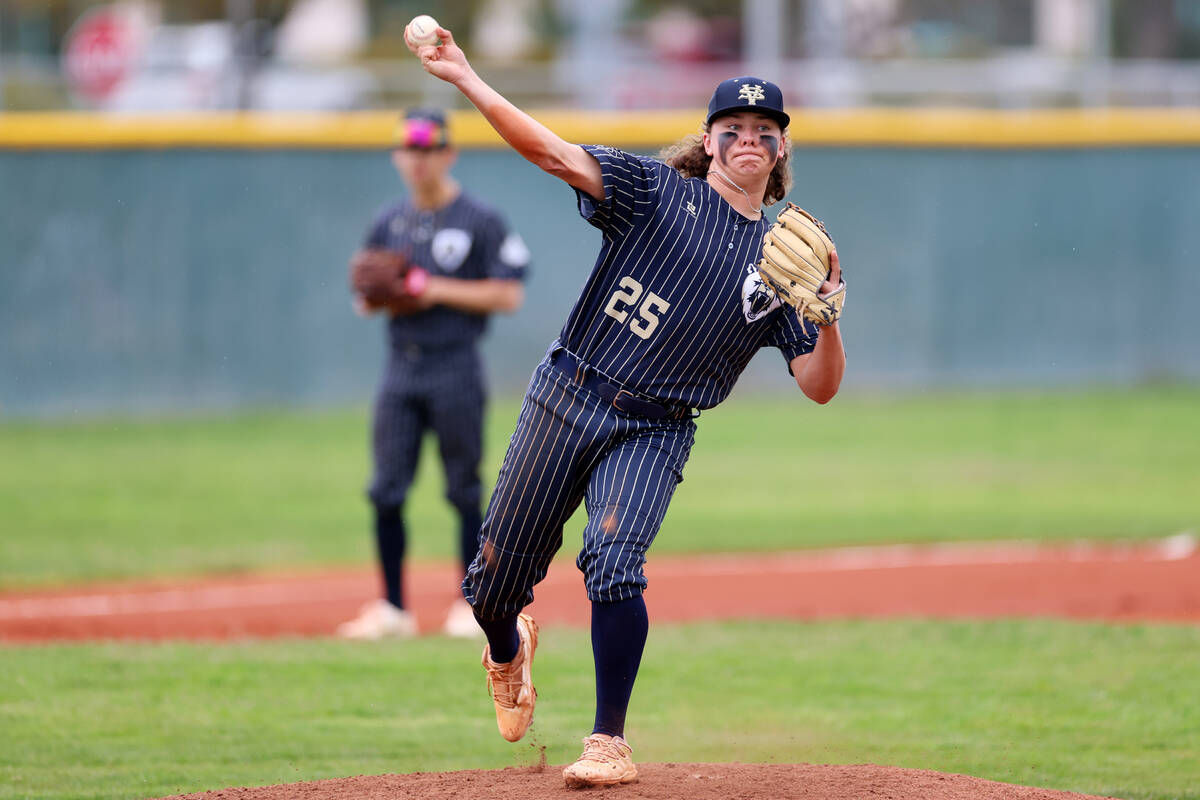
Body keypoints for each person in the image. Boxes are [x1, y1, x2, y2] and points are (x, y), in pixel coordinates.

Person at [406, 26, 845, 788]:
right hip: (568, 393)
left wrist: (831, 317)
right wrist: (467, 79)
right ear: (708, 142)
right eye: (732, 128)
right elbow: (552, 153)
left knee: (613, 565)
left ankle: (608, 740)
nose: (748, 138)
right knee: (490, 588)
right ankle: (508, 649)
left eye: (764, 132)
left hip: (656, 427)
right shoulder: (651, 191)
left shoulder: (782, 264)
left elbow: (818, 384)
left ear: (778, 154)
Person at [337, 108, 530, 640]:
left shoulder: (479, 219)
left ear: (448, 154)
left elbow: (508, 294)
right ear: (398, 156)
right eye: (408, 150)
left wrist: (432, 287)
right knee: (385, 490)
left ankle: (471, 607)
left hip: (456, 365)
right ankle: (392, 609)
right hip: (401, 367)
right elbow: (367, 301)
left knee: (464, 491)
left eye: (428, 150)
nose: (417, 160)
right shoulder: (389, 221)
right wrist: (379, 296)